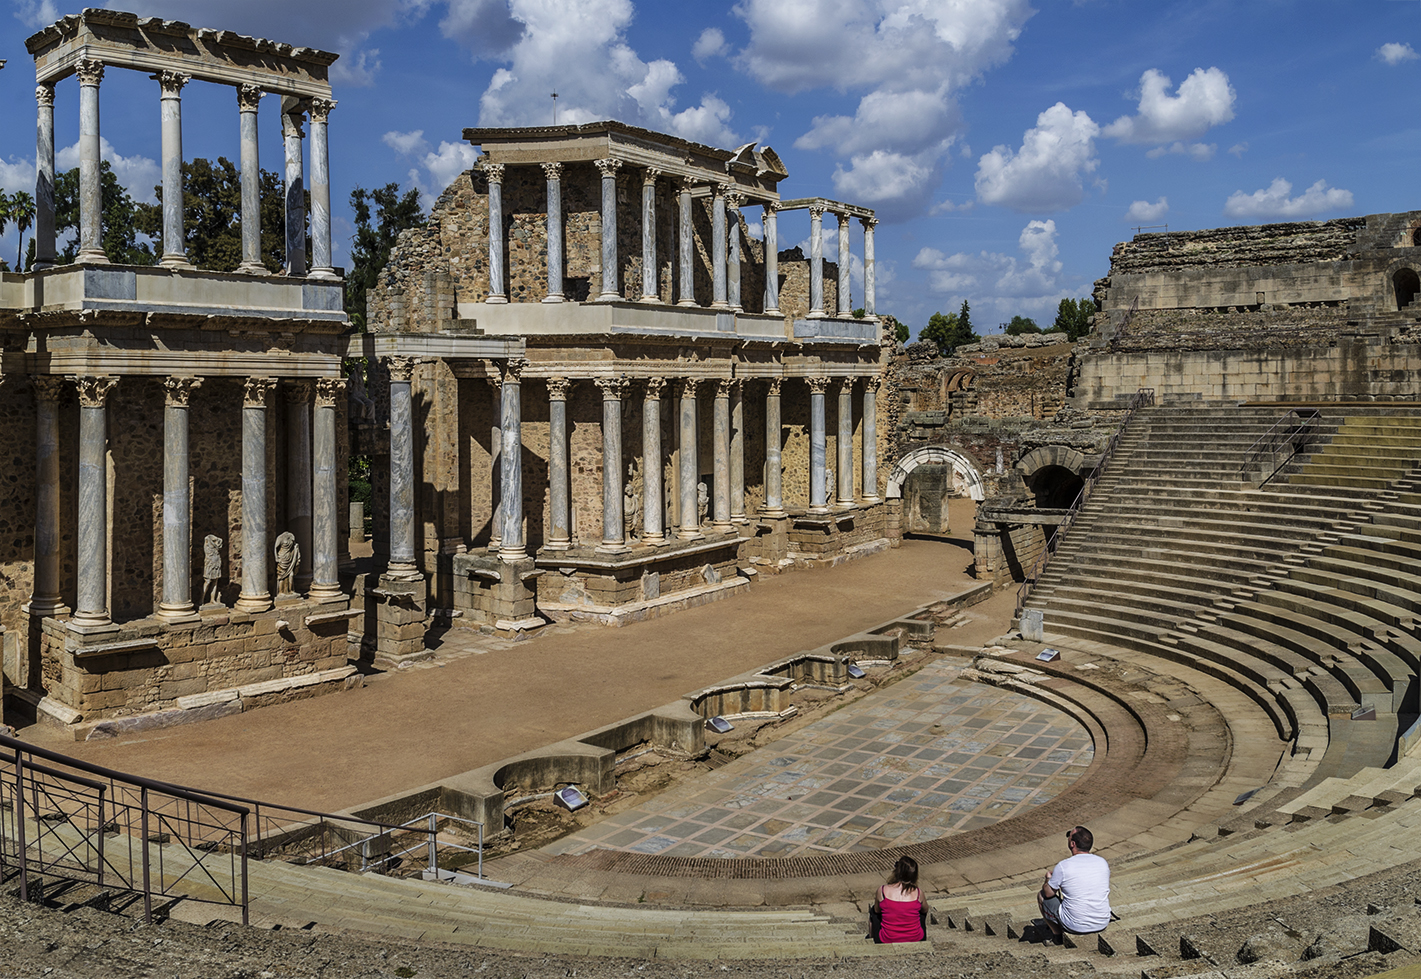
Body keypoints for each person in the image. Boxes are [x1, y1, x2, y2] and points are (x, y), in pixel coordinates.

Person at [1037, 826, 1111, 939]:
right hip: (1102, 922)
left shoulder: (1063, 866)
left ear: (1072, 844)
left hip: (1075, 925)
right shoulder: (1102, 862)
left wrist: (1048, 879)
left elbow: (1048, 893)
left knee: (1041, 896)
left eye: (1069, 836)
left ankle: (1056, 935)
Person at [869, 855, 927, 943]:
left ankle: (871, 937)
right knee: (921, 911)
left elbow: (877, 910)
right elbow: (925, 909)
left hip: (887, 938)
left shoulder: (882, 890)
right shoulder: (919, 893)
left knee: (873, 911)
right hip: (915, 937)